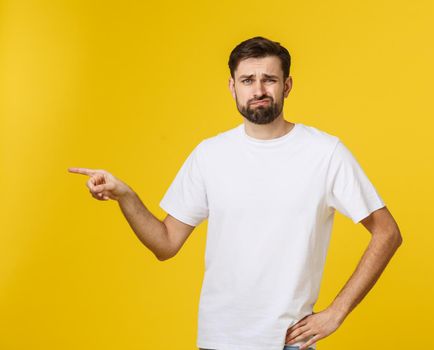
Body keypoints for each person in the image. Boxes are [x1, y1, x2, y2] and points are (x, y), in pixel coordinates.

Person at [68, 36, 403, 350]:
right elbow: (165, 243)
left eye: (269, 79)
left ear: (287, 85)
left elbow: (387, 232)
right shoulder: (209, 155)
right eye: (247, 80)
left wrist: (337, 311)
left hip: (286, 341)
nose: (258, 89)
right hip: (218, 338)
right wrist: (126, 196)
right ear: (232, 87)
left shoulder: (325, 153)